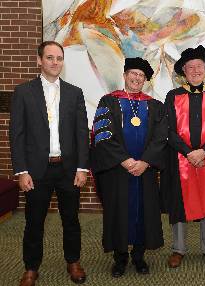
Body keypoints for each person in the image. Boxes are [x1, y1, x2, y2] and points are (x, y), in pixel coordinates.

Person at [9, 41, 89, 286]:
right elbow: (17, 134)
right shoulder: (23, 92)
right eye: (50, 58)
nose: (55, 62)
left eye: (59, 58)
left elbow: (81, 134)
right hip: (36, 171)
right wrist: (22, 171)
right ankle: (31, 268)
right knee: (34, 222)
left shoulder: (75, 92)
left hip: (68, 169)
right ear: (39, 61)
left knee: (71, 220)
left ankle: (73, 262)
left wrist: (82, 168)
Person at [90, 58, 166, 277]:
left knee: (144, 212)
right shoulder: (108, 101)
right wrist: (124, 160)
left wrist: (145, 161)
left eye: (141, 75)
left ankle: (140, 256)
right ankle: (120, 257)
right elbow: (102, 134)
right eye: (133, 73)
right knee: (119, 211)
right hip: (118, 170)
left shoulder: (155, 105)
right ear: (124, 75)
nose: (137, 78)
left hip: (145, 170)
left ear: (145, 80)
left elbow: (162, 137)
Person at [163, 45, 205, 268]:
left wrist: (204, 150)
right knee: (179, 202)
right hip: (180, 159)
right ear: (184, 70)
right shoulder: (173, 95)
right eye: (190, 67)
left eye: (199, 66)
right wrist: (188, 153)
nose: (195, 70)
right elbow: (168, 130)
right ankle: (178, 249)